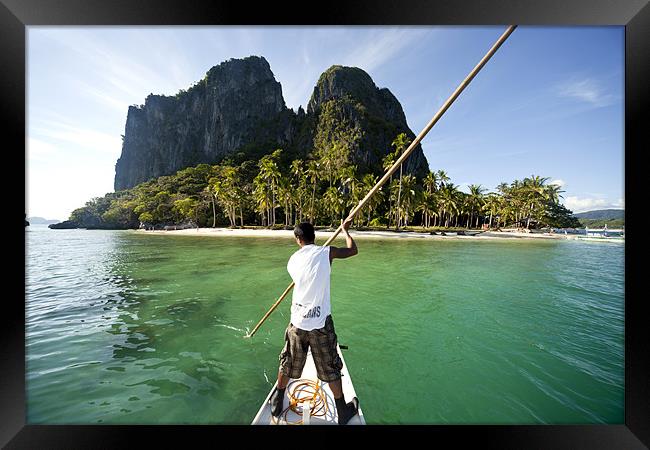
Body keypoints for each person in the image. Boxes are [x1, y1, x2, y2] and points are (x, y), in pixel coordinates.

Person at [269, 218, 360, 425]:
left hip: (297, 322)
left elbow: (304, 275)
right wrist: (345, 230)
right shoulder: (326, 253)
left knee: (288, 361)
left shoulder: (292, 261)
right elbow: (353, 250)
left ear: (298, 239)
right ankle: (342, 411)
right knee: (330, 367)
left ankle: (277, 400)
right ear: (314, 237)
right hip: (320, 323)